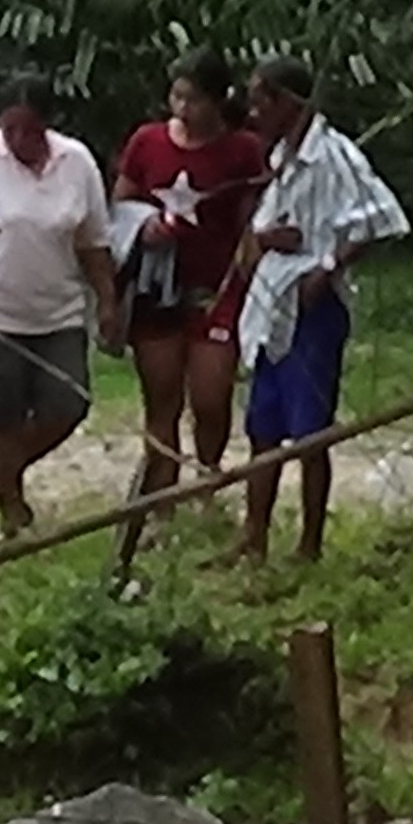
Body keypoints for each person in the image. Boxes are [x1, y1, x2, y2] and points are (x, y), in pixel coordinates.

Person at [232, 56, 410, 563]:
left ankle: (309, 544)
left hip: (313, 307)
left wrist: (327, 266)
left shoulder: (334, 156)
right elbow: (260, 234)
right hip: (274, 303)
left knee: (311, 430)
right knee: (263, 427)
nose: (253, 111)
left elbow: (381, 217)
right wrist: (265, 240)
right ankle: (254, 535)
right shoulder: (279, 160)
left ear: (287, 101)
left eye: (260, 100)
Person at [0, 76, 124, 536]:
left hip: (57, 311)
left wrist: (108, 301)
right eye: (10, 130)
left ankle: (4, 473)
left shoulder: (77, 162)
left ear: (48, 126)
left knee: (69, 402)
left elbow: (93, 241)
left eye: (29, 131)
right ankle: (12, 509)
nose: (18, 141)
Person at [116, 50, 270, 502]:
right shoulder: (146, 142)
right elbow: (121, 205)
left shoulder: (244, 150)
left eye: (194, 100)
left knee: (210, 397)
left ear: (219, 101)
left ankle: (207, 478)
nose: (183, 109)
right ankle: (161, 498)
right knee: (161, 400)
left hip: (217, 288)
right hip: (157, 289)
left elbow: (251, 221)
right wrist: (145, 227)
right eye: (176, 97)